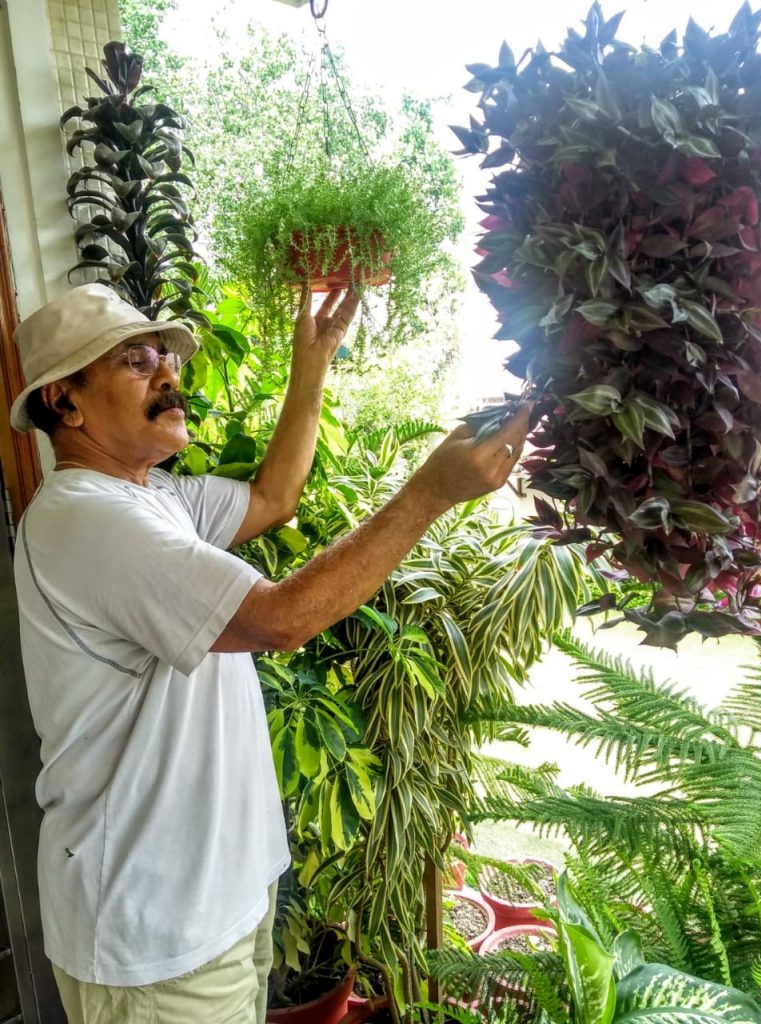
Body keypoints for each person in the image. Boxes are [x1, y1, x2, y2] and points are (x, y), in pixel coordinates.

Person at [10, 282, 530, 1024]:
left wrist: (311, 362)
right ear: (66, 402)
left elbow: (274, 496)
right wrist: (431, 494)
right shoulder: (83, 520)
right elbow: (282, 619)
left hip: (217, 901)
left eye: (164, 355)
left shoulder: (154, 497)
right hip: (157, 935)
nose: (168, 374)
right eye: (136, 360)